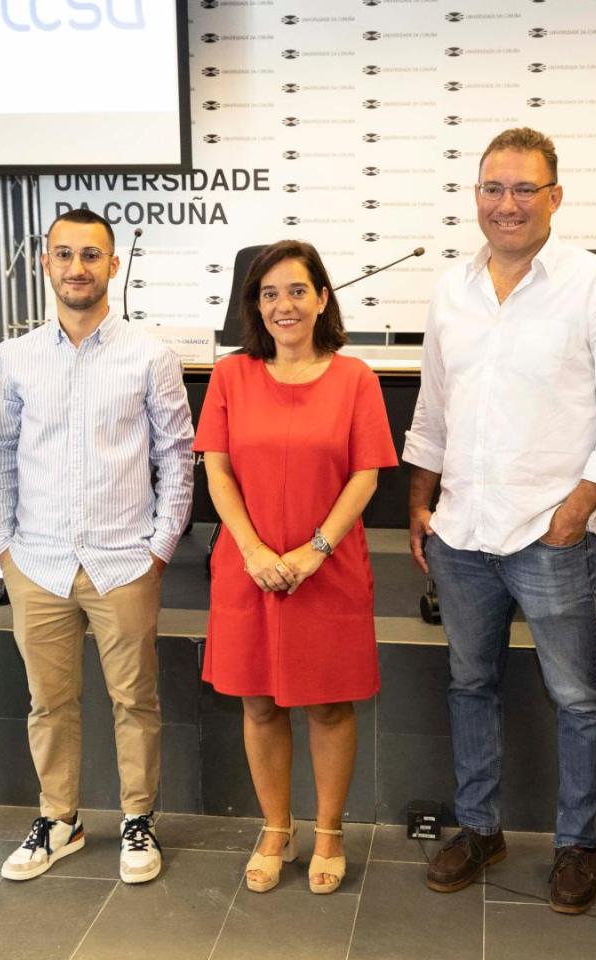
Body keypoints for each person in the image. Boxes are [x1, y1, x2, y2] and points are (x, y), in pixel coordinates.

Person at [404, 127, 596, 914]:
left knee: (577, 699)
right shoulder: (452, 290)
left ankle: (577, 845)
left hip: (552, 537)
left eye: (524, 188)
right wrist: (419, 502)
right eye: (494, 188)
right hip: (463, 532)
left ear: (555, 196)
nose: (507, 204)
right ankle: (480, 829)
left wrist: (577, 513)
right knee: (470, 686)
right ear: (476, 196)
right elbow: (434, 408)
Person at [0, 208, 194, 885]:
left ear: (113, 265)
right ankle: (60, 820)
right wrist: (3, 547)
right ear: (46, 263)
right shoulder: (16, 358)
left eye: (92, 255)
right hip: (37, 562)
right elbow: (0, 455)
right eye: (65, 254)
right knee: (48, 703)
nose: (78, 268)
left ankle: (138, 819)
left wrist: (160, 547)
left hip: (124, 561)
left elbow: (177, 457)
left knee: (135, 701)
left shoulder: (151, 356)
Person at [194, 239, 398, 895]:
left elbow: (366, 476)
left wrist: (315, 550)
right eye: (269, 293)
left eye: (297, 291)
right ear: (256, 306)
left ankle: (329, 832)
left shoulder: (355, 378)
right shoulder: (231, 376)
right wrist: (254, 551)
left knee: (330, 706)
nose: (284, 304)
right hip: (248, 568)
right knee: (258, 704)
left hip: (327, 567)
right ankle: (275, 828)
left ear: (322, 298)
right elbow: (217, 471)